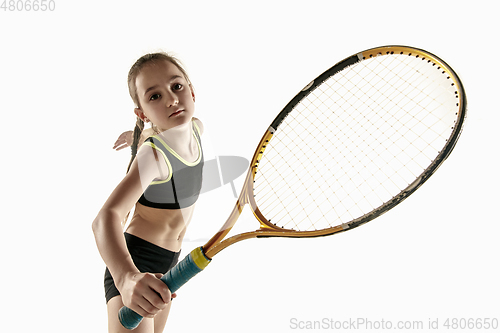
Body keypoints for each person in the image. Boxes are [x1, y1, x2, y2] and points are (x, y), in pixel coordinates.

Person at [92, 52, 204, 333]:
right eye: (154, 97)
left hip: (169, 264)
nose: (171, 99)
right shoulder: (154, 156)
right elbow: (105, 218)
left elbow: (164, 130)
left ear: (191, 90)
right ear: (142, 113)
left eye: (176, 87)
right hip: (136, 264)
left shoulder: (197, 130)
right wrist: (126, 278)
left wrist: (138, 134)